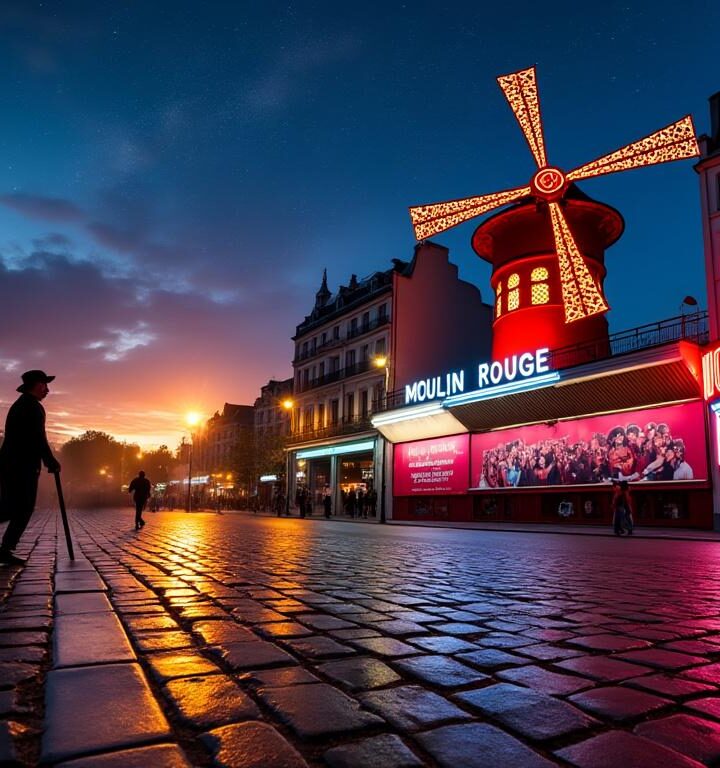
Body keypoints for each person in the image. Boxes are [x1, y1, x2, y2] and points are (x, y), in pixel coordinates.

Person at [0, 370, 61, 565]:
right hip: (22, 466)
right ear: (36, 385)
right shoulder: (32, 407)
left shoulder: (21, 405)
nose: (47, 390)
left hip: (12, 464)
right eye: (45, 385)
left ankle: (6, 549)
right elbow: (38, 438)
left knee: (13, 507)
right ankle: (6, 548)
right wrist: (50, 461)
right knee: (21, 508)